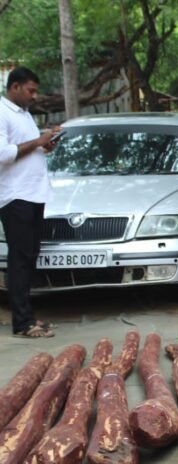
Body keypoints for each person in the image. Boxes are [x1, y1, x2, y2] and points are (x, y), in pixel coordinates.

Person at [0, 67, 61, 338]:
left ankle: (29, 318)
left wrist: (44, 144)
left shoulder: (24, 115)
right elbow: (3, 154)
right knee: (20, 259)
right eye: (30, 90)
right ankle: (22, 323)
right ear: (14, 87)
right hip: (15, 195)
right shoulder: (2, 112)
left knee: (29, 257)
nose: (34, 96)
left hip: (34, 194)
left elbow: (25, 147)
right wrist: (38, 140)